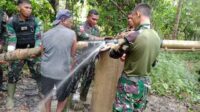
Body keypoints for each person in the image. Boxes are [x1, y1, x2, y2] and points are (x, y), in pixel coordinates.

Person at [109, 3, 160, 112]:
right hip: (145, 85)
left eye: (132, 16)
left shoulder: (134, 35)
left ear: (138, 14)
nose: (131, 18)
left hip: (129, 84)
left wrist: (115, 47)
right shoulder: (157, 37)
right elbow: (154, 62)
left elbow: (113, 54)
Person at [6, 0, 42, 109]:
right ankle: (10, 98)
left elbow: (39, 37)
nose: (29, 10)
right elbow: (12, 38)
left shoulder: (36, 21)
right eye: (26, 7)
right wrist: (11, 53)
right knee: (12, 74)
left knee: (39, 73)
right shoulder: (12, 21)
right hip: (18, 52)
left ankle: (43, 97)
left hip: (33, 52)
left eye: (30, 8)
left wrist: (35, 51)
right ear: (19, 8)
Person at [40, 9, 76, 112]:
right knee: (63, 96)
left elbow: (42, 53)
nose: (71, 23)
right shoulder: (72, 34)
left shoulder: (46, 34)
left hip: (46, 71)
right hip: (62, 72)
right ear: (63, 20)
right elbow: (72, 55)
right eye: (70, 20)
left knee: (47, 94)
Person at [72, 9, 103, 104]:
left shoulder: (96, 29)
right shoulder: (80, 26)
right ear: (88, 17)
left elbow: (97, 44)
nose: (95, 21)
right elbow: (85, 36)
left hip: (91, 58)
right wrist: (100, 39)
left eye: (97, 20)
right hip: (79, 57)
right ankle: (70, 99)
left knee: (88, 79)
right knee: (75, 78)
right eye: (93, 19)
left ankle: (82, 100)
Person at [0, 9, 9, 92]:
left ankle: (0, 84)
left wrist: (1, 44)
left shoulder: (2, 13)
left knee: (1, 64)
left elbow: (5, 31)